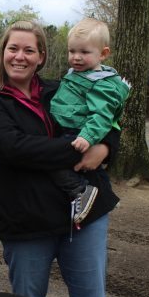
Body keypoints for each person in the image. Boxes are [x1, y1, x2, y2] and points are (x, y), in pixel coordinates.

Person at [0, 20, 120, 297]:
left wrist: (106, 148)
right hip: (28, 221)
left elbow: (107, 120)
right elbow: (14, 148)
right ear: (3, 53)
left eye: (29, 50)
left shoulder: (64, 88)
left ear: (41, 57)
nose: (20, 56)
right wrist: (81, 151)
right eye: (13, 48)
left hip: (85, 217)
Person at [49, 18, 131, 226]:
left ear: (103, 54)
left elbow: (103, 115)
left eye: (84, 52)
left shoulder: (100, 83)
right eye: (72, 51)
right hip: (69, 127)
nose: (76, 57)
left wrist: (87, 136)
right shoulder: (77, 75)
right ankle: (106, 195)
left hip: (77, 132)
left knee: (53, 164)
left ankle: (80, 191)